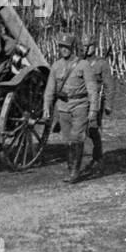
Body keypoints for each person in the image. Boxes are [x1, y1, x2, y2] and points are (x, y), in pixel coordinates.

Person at [42, 33, 102, 184]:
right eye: (61, 47)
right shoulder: (56, 66)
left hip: (80, 105)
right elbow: (50, 89)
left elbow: (92, 89)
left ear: (72, 48)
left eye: (67, 47)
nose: (64, 50)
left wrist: (93, 109)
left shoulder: (83, 65)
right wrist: (46, 107)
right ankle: (71, 168)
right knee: (68, 140)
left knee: (77, 137)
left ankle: (74, 172)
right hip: (63, 107)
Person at [82, 32, 115, 172]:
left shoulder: (101, 64)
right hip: (81, 100)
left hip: (96, 101)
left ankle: (98, 158)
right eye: (84, 46)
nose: (86, 49)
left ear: (94, 47)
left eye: (88, 46)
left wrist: (108, 104)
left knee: (93, 129)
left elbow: (109, 86)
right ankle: (83, 158)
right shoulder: (79, 63)